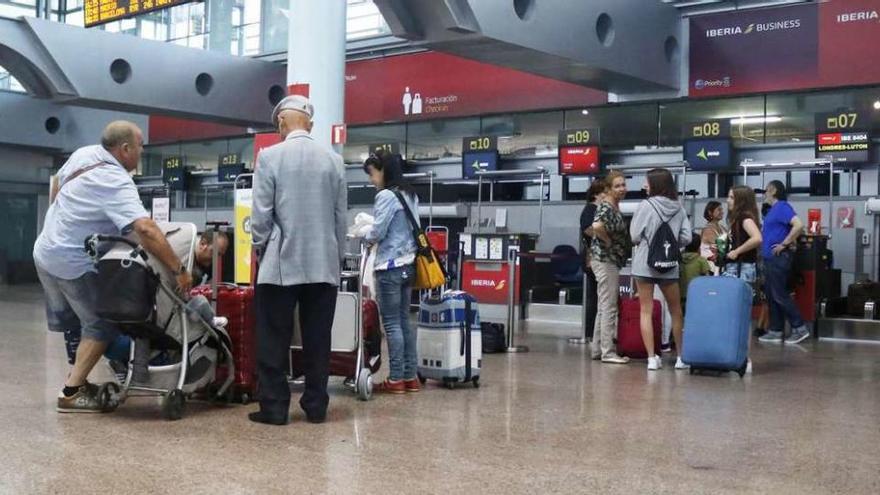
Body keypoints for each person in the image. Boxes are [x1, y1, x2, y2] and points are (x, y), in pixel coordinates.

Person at [33, 121, 193, 413]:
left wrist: (70, 218)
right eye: (141, 145)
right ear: (126, 149)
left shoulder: (85, 153)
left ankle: (77, 381)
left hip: (45, 250)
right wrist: (178, 269)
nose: (143, 150)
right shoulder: (115, 179)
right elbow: (145, 228)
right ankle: (70, 393)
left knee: (81, 323)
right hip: (71, 261)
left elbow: (57, 183)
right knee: (101, 324)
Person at [250, 95, 347, 426]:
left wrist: (259, 247)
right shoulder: (333, 160)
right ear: (311, 124)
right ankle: (317, 406)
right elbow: (340, 217)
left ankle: (275, 407)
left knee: (273, 336)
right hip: (323, 263)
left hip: (280, 264)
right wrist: (337, 257)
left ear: (281, 123)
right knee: (318, 337)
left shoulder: (270, 156)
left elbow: (261, 215)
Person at [363, 150, 419, 394]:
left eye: (373, 174)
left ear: (384, 170)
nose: (371, 180)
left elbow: (377, 232)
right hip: (409, 265)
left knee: (392, 324)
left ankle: (395, 378)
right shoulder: (410, 194)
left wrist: (361, 235)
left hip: (390, 267)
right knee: (405, 322)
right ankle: (410, 377)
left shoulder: (386, 195)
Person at [629, 168, 691, 371]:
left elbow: (635, 236)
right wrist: (671, 243)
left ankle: (651, 359)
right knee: (676, 311)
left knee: (646, 310)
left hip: (644, 264)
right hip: (669, 265)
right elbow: (687, 238)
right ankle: (681, 357)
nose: (644, 186)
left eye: (647, 182)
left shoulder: (645, 206)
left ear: (655, 184)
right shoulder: (679, 208)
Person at [758, 180, 808, 345]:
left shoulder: (782, 207)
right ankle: (775, 329)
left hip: (778, 258)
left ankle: (799, 327)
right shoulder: (773, 211)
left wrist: (784, 243)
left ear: (772, 190)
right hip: (770, 259)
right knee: (772, 295)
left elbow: (798, 225)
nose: (764, 194)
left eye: (766, 190)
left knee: (780, 294)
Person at [589, 171, 629, 364]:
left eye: (623, 185)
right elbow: (596, 226)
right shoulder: (607, 206)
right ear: (609, 189)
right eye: (617, 186)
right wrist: (609, 242)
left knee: (603, 305)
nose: (622, 189)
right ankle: (608, 352)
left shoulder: (614, 205)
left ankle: (597, 348)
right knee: (609, 306)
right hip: (605, 260)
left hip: (607, 260)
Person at [579, 178, 606, 342]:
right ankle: (591, 332)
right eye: (604, 192)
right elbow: (588, 229)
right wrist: (606, 238)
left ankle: (595, 332)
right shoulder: (591, 209)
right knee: (596, 297)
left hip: (596, 256)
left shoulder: (596, 209)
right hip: (594, 257)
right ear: (597, 194)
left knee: (597, 296)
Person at [721, 186, 763, 285]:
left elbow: (757, 238)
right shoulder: (738, 219)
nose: (728, 201)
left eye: (732, 198)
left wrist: (736, 251)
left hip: (742, 267)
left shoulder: (744, 218)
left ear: (741, 201)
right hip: (737, 266)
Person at [680, 234, 711, 310]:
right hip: (696, 297)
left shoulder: (679, 259)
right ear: (698, 246)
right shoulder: (701, 260)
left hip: (680, 296)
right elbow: (708, 280)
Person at [700, 200, 726, 273]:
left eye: (722, 209)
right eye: (719, 210)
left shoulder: (722, 227)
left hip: (720, 266)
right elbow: (722, 246)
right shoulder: (708, 229)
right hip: (711, 268)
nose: (722, 212)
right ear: (710, 212)